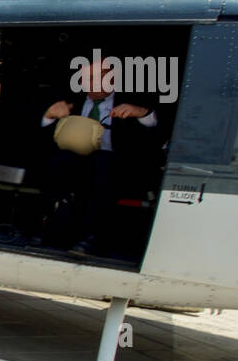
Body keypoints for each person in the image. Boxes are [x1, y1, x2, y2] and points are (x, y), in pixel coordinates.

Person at [37, 58, 160, 255]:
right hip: (75, 164)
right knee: (57, 163)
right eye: (88, 77)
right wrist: (48, 116)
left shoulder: (132, 100)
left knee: (103, 163)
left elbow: (157, 133)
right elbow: (39, 140)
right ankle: (47, 226)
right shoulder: (70, 102)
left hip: (115, 167)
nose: (93, 82)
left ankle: (89, 236)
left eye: (101, 76)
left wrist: (141, 113)